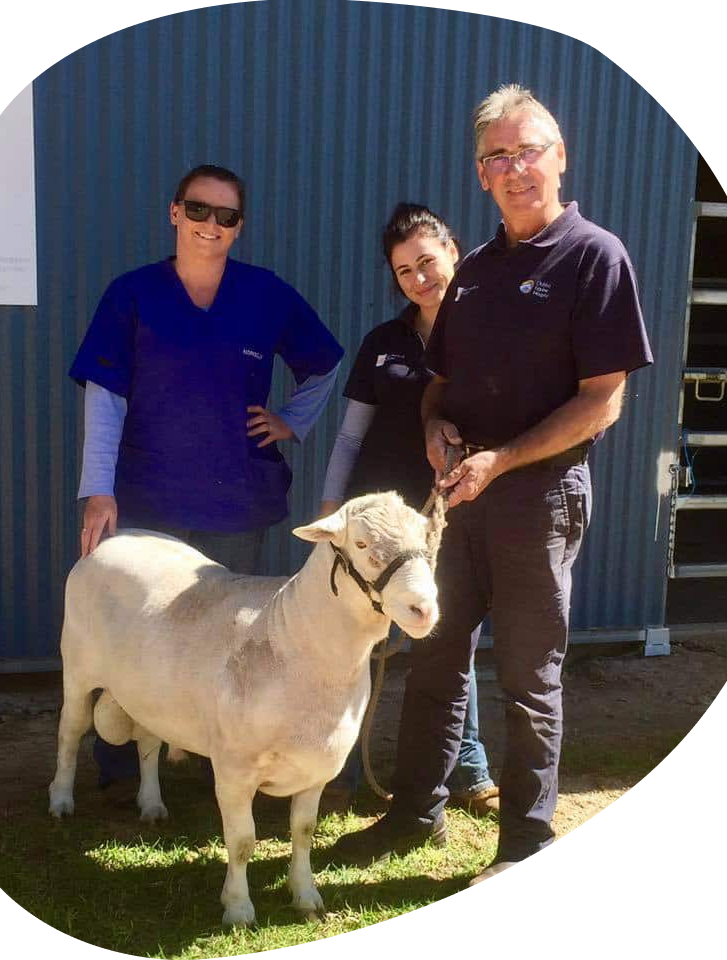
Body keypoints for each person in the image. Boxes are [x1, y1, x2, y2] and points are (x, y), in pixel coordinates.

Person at [331, 85, 653, 879]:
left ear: (560, 156)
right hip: (460, 496)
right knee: (434, 658)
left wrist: (501, 460)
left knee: (527, 677)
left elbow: (603, 400)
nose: (516, 168)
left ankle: (525, 843)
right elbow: (438, 385)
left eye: (529, 150)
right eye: (498, 157)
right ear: (481, 174)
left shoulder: (594, 256)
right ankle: (414, 816)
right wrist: (435, 429)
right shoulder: (473, 271)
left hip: (539, 500)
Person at [68, 163, 343, 787]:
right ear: (174, 212)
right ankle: (120, 767)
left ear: (239, 226)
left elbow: (324, 363)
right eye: (197, 209)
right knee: (134, 636)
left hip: (234, 500)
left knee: (222, 636)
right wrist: (98, 490)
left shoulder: (265, 295)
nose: (209, 224)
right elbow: (105, 395)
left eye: (226, 215)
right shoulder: (132, 294)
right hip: (147, 495)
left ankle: (211, 761)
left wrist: (292, 421)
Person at [317, 203, 499, 816]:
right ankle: (337, 772)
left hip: (448, 519)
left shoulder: (488, 336)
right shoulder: (383, 343)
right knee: (354, 643)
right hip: (374, 530)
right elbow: (350, 436)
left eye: (427, 262)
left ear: (453, 253)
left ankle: (468, 769)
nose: (419, 279)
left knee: (448, 638)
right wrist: (332, 509)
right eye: (404, 271)